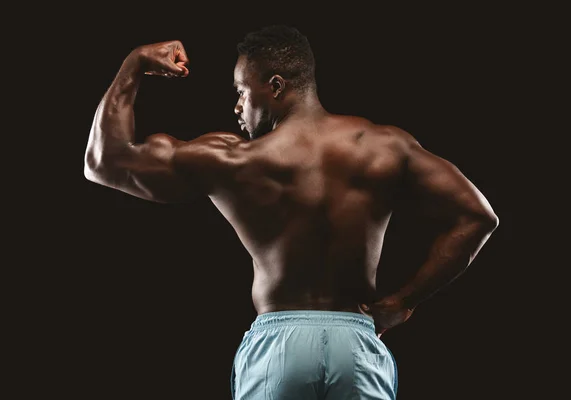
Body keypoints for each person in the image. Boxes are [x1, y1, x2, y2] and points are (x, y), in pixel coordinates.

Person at [84, 25, 499, 400]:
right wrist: (405, 301)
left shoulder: (231, 160)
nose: (237, 108)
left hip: (280, 347)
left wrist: (134, 63)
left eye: (242, 92)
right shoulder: (384, 146)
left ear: (276, 85)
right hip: (356, 345)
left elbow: (103, 162)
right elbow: (478, 217)